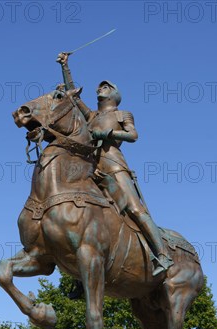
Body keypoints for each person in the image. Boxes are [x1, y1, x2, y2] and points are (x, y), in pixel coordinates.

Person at [56, 52, 173, 277]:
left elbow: (133, 135)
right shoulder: (91, 115)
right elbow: (72, 95)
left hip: (114, 165)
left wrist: (107, 132)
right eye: (100, 87)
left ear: (114, 95)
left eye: (106, 87)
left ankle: (162, 254)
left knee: (135, 209)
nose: (100, 89)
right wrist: (65, 66)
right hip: (91, 168)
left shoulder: (122, 113)